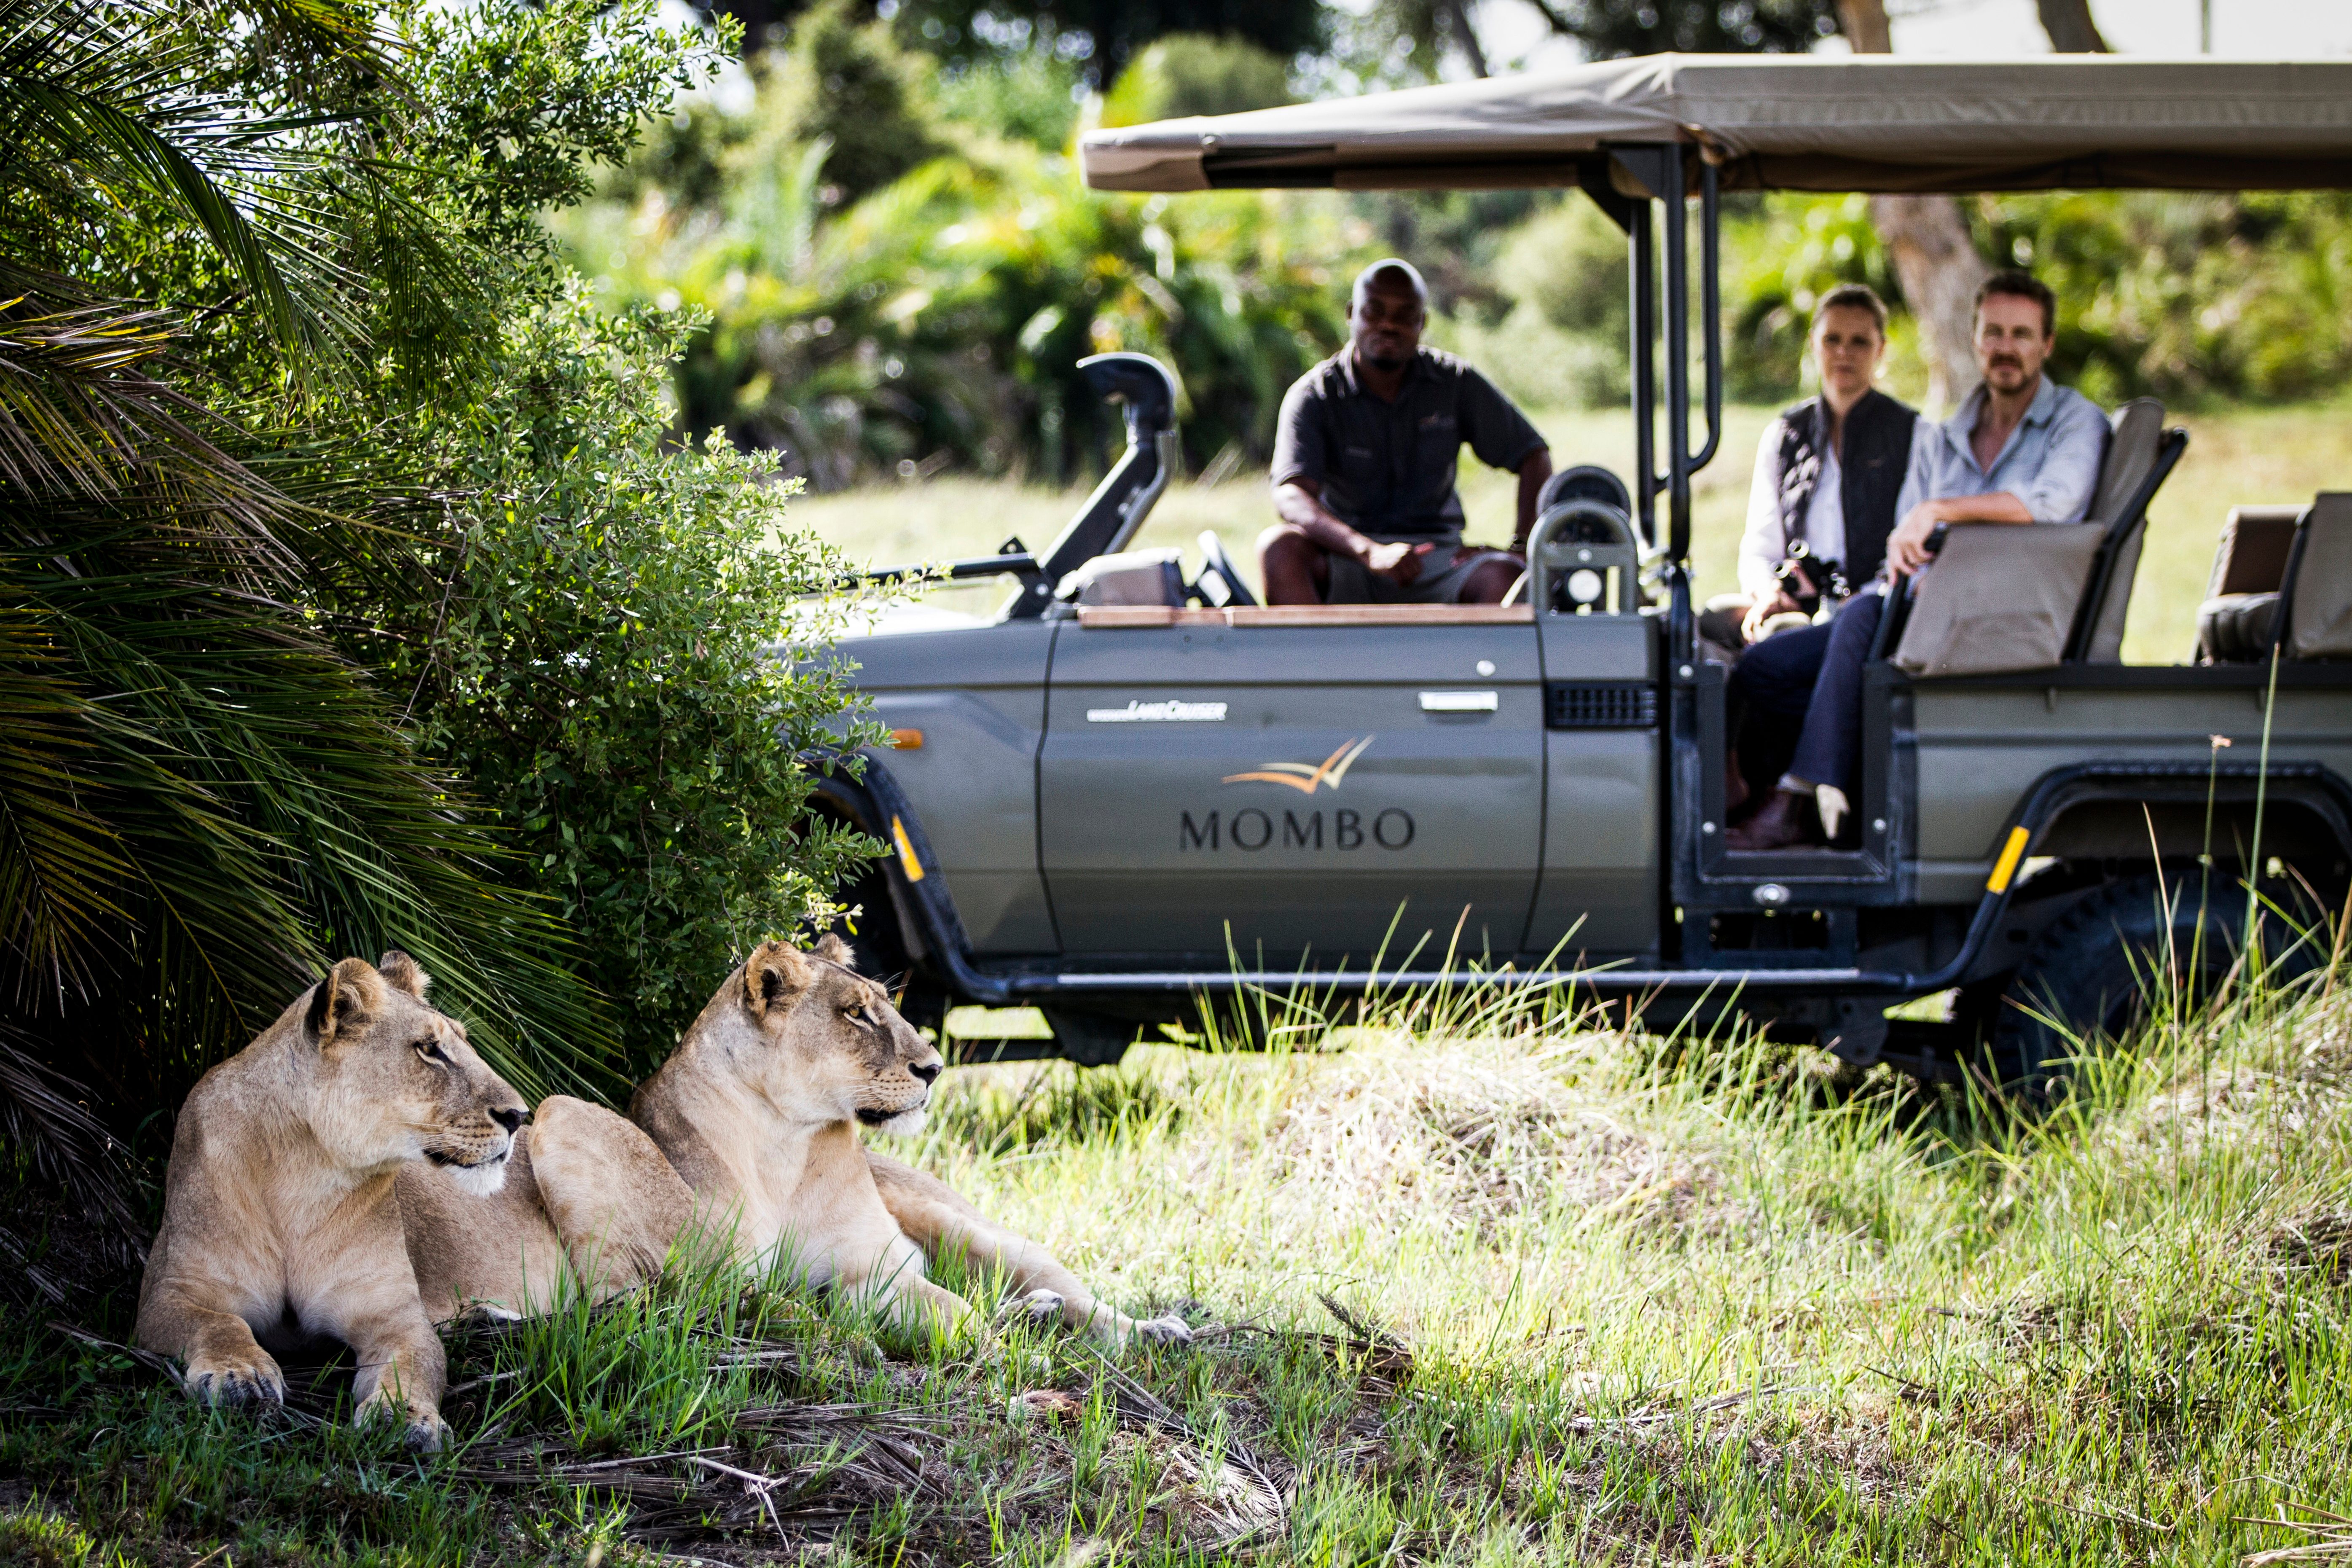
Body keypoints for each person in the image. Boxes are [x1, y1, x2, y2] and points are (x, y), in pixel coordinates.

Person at [1728, 269, 2109, 851]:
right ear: (1976, 339)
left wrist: (1941, 513)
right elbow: (1904, 539)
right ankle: (1825, 805)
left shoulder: (2075, 421)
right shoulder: (1944, 435)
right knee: (1764, 668)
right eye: (1994, 333)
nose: (2006, 348)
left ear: (2046, 345)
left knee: (1859, 621)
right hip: (1929, 609)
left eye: (2022, 335)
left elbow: (2054, 506)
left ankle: (1798, 800)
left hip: (2015, 613)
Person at [1262, 260, 1553, 606]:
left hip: (1438, 556)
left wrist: (1521, 548)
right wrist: (1367, 550)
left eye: (1404, 315)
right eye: (1375, 312)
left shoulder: (1455, 383)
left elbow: (1534, 455)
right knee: (1278, 550)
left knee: (1506, 577)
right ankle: (1311, 662)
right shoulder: (1315, 395)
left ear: (1422, 323)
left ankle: (1484, 663)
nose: (1388, 325)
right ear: (1352, 314)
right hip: (1347, 555)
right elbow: (1290, 496)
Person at [1702, 284, 1916, 654]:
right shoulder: (1785, 434)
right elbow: (1760, 545)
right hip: (1799, 600)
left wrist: (1861, 600)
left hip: (1870, 606)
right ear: (1814, 343)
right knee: (1710, 620)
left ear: (1881, 349)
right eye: (1832, 339)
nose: (1843, 353)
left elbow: (1912, 549)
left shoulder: (1911, 433)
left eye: (1859, 342)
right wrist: (1769, 590)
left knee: (1777, 647)